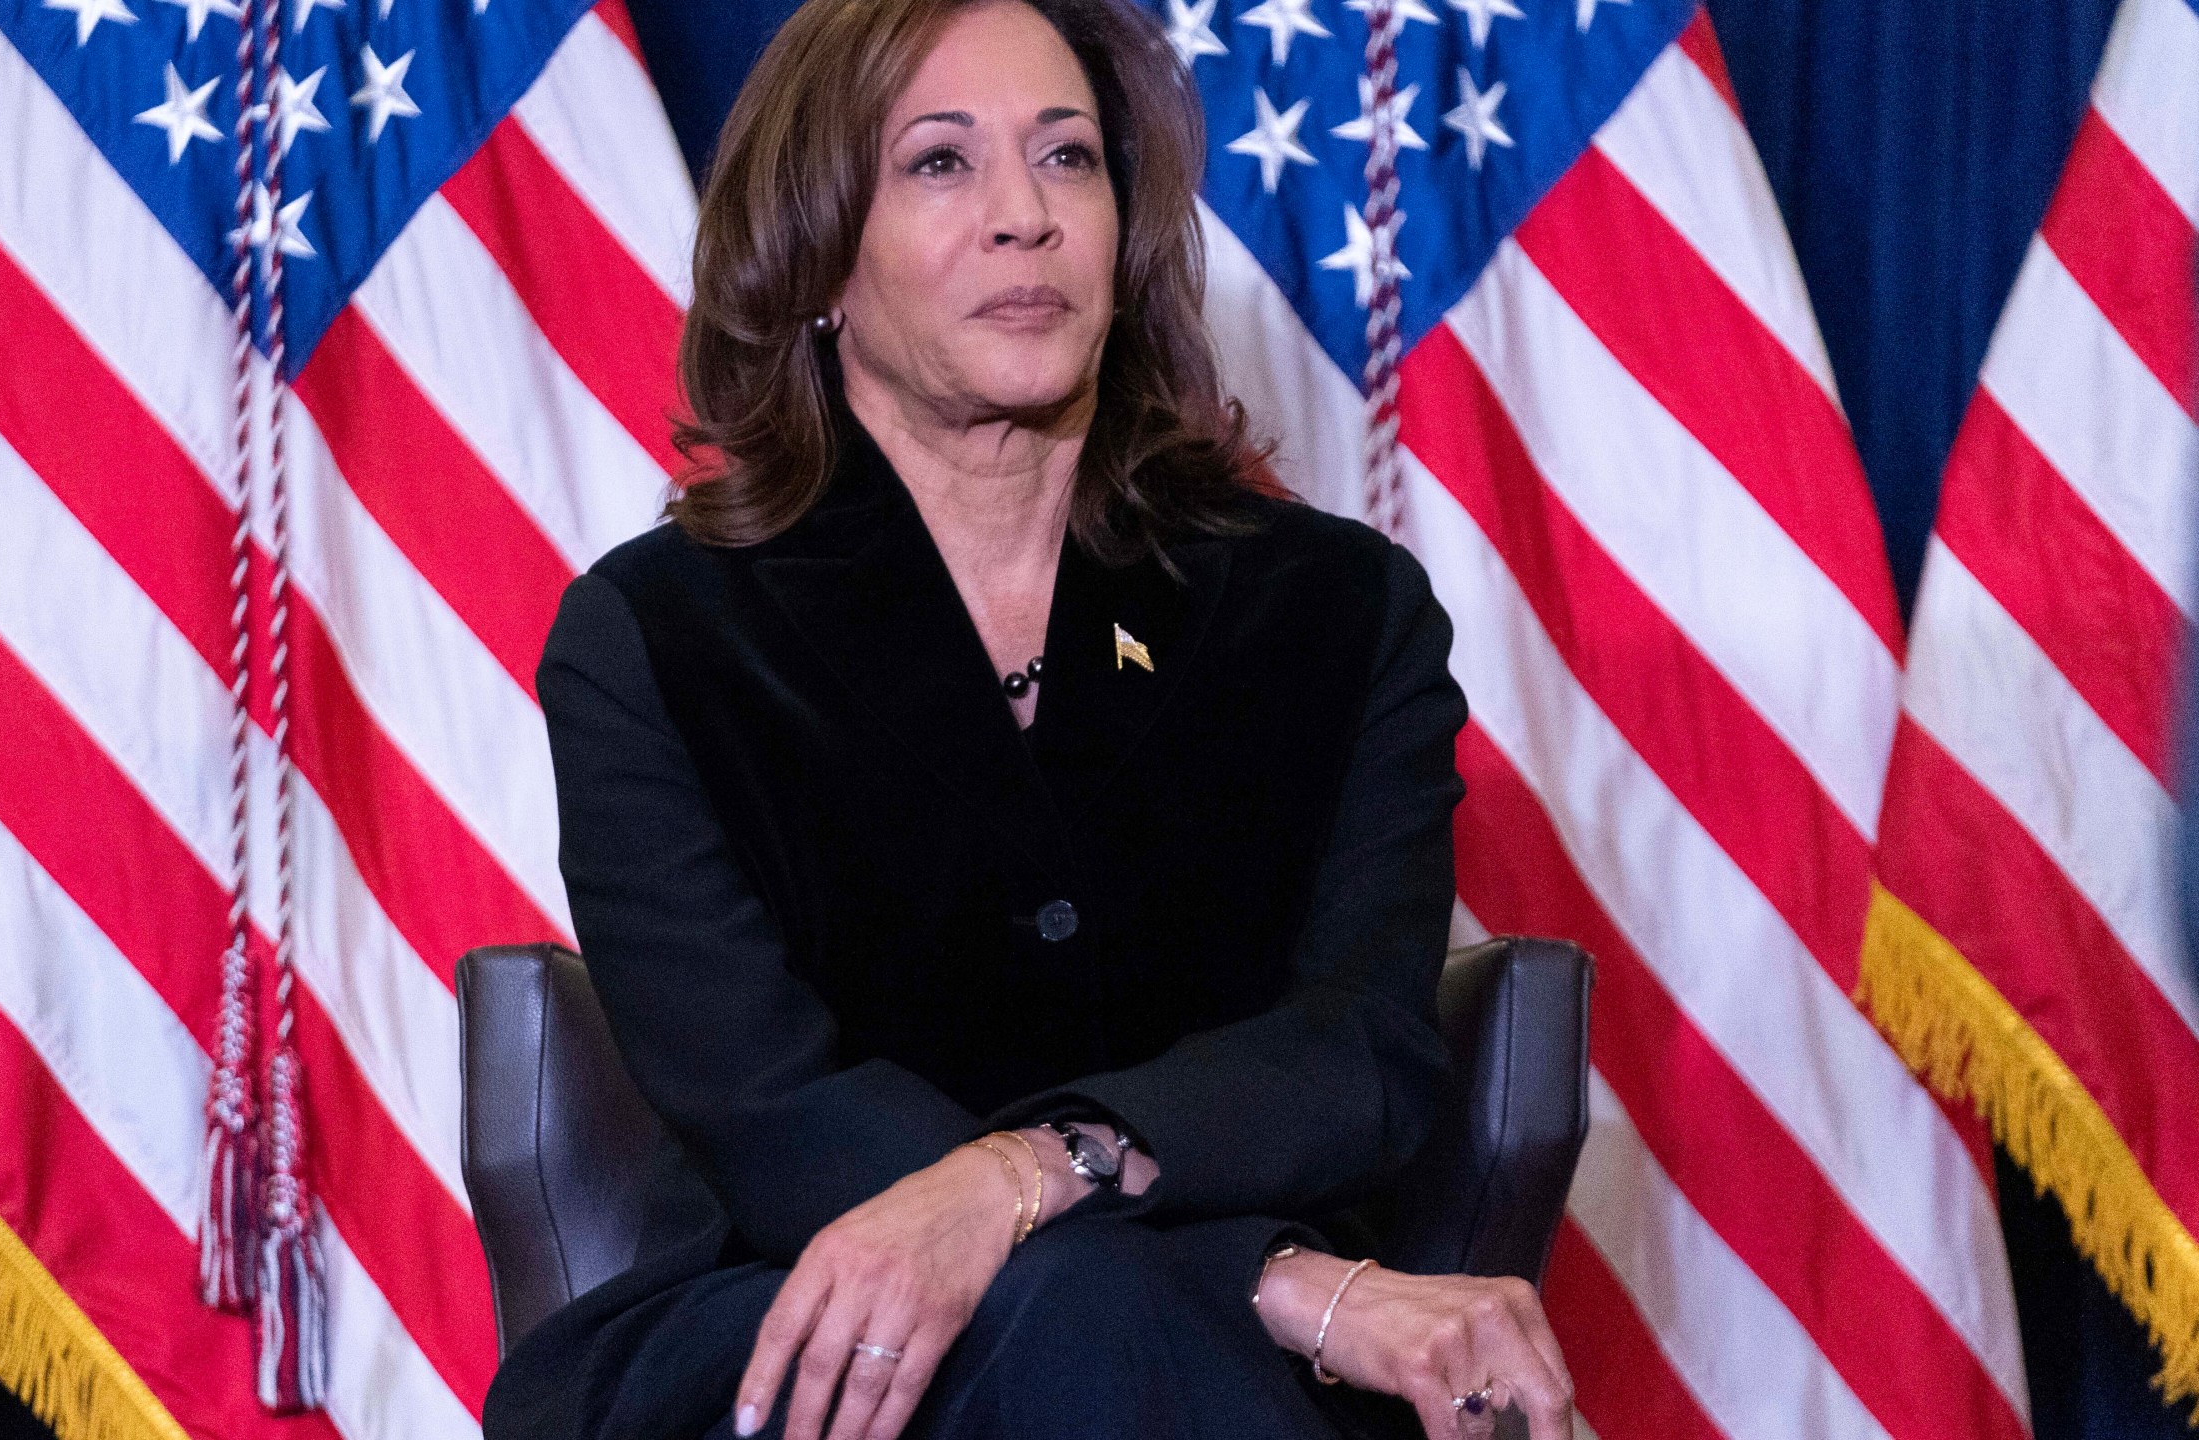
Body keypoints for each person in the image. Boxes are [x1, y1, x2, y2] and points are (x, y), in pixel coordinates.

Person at [481, 0, 1576, 1436]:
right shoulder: (658, 638)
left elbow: (1355, 1055)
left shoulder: (1338, 615)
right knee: (1085, 1315)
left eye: (1069, 161)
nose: (1026, 218)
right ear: (816, 253)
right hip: (794, 1336)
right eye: (941, 164)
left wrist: (1034, 1173)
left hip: (1230, 1368)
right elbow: (771, 1112)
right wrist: (1272, 1283)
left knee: (1104, 1323)